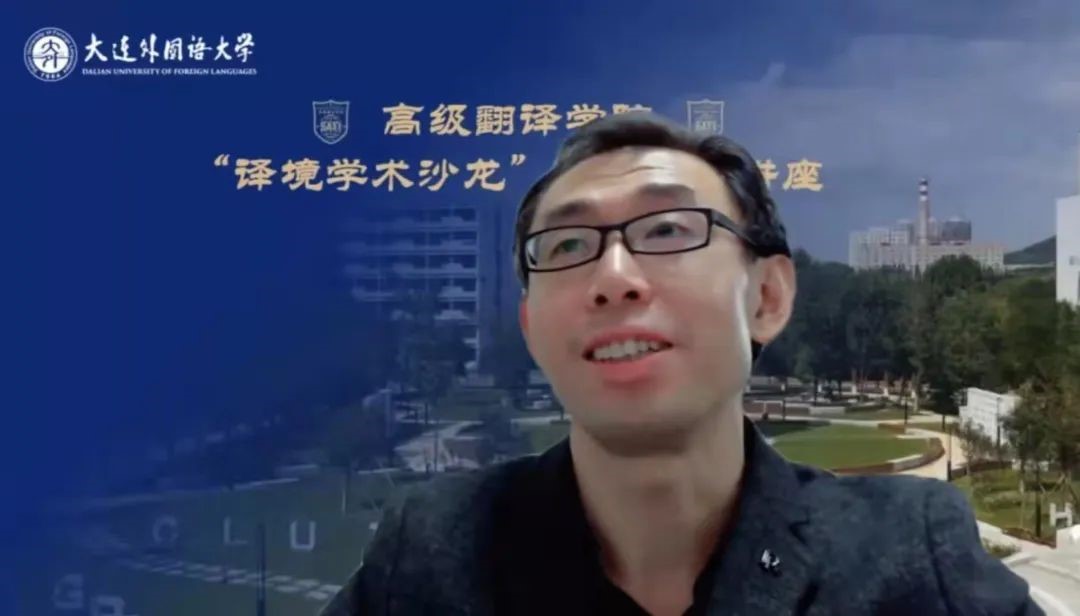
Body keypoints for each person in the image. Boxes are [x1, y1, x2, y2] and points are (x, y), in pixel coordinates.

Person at [319, 112, 1043, 615]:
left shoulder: (909, 560)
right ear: (533, 328)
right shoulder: (434, 557)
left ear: (768, 297)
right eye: (567, 246)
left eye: (668, 229)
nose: (614, 276)